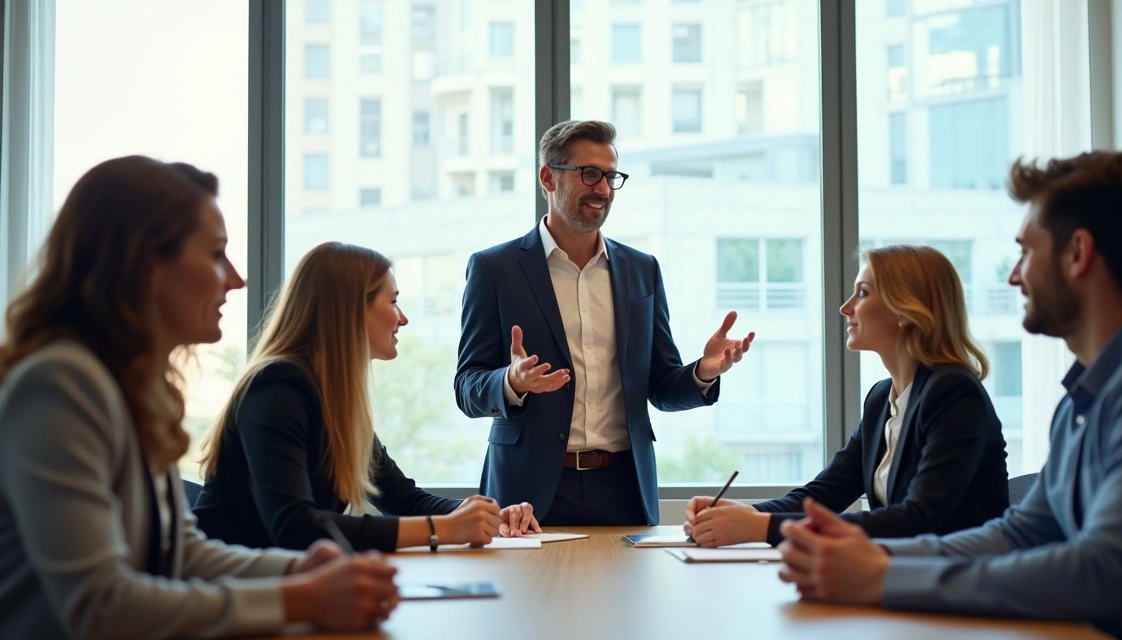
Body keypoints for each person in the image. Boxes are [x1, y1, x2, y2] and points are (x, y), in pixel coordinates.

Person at [776, 151, 1122, 640]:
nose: (1014, 275)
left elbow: (1103, 574)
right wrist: (869, 557)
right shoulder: (1084, 396)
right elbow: (1020, 534)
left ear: (1077, 253)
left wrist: (882, 577)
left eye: (1026, 252)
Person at [0, 156, 399, 639]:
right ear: (148, 263)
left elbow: (183, 555)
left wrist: (296, 571)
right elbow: (100, 607)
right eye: (215, 254)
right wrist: (301, 597)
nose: (236, 279)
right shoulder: (60, 385)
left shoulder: (131, 388)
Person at [455, 119, 755, 526]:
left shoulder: (641, 270)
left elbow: (660, 387)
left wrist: (703, 372)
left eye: (611, 177)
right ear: (548, 178)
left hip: (625, 487)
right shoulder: (495, 269)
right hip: (527, 492)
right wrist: (512, 381)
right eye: (589, 174)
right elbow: (467, 387)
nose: (603, 189)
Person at [194, 242, 540, 552]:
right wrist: (441, 529)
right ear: (349, 309)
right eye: (393, 301)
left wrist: (486, 514)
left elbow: (405, 500)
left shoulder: (334, 398)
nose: (403, 318)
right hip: (232, 589)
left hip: (287, 585)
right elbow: (295, 527)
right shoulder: (277, 386)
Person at [684, 245, 1008, 547]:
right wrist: (745, 515)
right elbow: (825, 494)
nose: (845, 308)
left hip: (963, 581)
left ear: (905, 311)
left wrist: (763, 526)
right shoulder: (882, 398)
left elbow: (918, 519)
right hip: (908, 577)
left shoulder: (954, 392)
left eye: (862, 293)